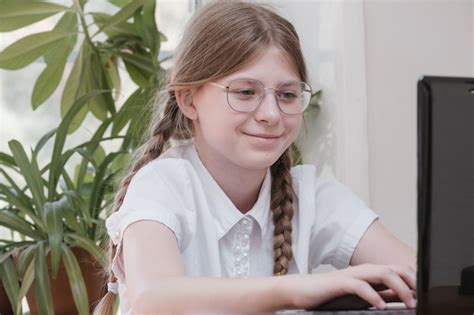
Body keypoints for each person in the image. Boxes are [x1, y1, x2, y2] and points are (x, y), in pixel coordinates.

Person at [94, 1, 416, 314]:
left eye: (287, 95)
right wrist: (298, 290)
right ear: (189, 100)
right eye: (246, 92)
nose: (271, 114)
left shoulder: (309, 197)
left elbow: (423, 279)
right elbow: (155, 297)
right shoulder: (161, 186)